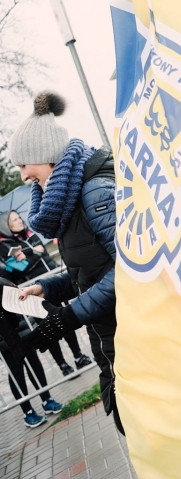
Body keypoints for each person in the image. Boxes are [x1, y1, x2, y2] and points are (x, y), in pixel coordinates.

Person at [8, 92, 124, 434]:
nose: (23, 175)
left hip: (134, 336)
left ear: (47, 158)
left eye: (24, 164)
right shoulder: (70, 198)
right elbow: (91, 269)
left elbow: (131, 270)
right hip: (111, 336)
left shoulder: (94, 192)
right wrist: (48, 287)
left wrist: (70, 315)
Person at [0, 210, 94, 376]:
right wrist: (34, 253)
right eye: (14, 220)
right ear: (6, 226)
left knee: (64, 320)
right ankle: (62, 365)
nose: (19, 221)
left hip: (54, 285)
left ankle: (78, 355)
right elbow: (18, 268)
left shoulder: (31, 235)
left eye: (19, 218)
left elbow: (38, 251)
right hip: (34, 292)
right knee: (47, 329)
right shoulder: (5, 245)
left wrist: (29, 255)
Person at [0, 277, 63, 428]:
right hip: (4, 339)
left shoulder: (2, 279)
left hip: (22, 330)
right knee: (16, 373)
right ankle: (27, 411)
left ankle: (47, 399)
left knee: (34, 364)